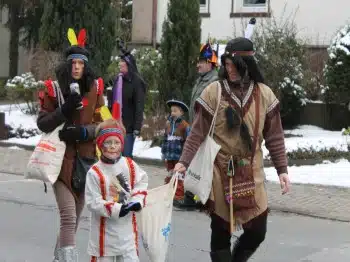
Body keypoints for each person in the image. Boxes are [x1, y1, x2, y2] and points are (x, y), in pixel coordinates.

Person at [174, 36, 291, 261]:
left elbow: (275, 136)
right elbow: (197, 132)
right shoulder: (213, 91)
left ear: (247, 65)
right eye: (226, 64)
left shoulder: (264, 94)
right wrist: (183, 162)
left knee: (257, 231)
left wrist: (282, 169)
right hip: (220, 170)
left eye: (233, 64)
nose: (229, 69)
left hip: (252, 169)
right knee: (220, 230)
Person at [37, 28, 105, 261]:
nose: (76, 67)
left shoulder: (96, 89)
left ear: (86, 67)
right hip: (60, 162)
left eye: (81, 63)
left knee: (74, 221)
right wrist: (63, 111)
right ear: (68, 66)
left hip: (86, 163)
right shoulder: (54, 89)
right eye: (73, 63)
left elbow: (105, 125)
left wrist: (84, 132)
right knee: (67, 216)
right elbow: (43, 123)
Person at [85, 118, 148, 261]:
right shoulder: (94, 172)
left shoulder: (130, 165)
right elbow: (93, 202)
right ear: (100, 145)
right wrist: (117, 209)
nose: (113, 146)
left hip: (127, 236)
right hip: (104, 238)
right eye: (108, 142)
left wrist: (137, 200)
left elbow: (141, 182)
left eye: (116, 142)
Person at [107, 48, 146, 158]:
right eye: (120, 62)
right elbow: (113, 100)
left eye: (122, 63)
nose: (120, 64)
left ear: (129, 65)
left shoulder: (137, 82)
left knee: (126, 157)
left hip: (129, 127)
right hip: (116, 124)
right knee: (115, 155)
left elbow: (139, 105)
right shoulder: (118, 79)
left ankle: (129, 175)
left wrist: (137, 127)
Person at [161, 99, 191, 209]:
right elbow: (164, 139)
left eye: (175, 111)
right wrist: (163, 153)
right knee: (169, 174)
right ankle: (168, 193)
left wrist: (187, 156)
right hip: (169, 155)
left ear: (181, 113)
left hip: (179, 156)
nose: (172, 113)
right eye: (171, 111)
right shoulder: (168, 124)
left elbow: (188, 141)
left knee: (178, 176)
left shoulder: (185, 125)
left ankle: (178, 196)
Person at [189, 40, 219, 124]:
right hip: (196, 130)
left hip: (205, 132)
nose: (197, 65)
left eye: (201, 62)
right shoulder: (200, 81)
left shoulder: (214, 82)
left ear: (209, 64)